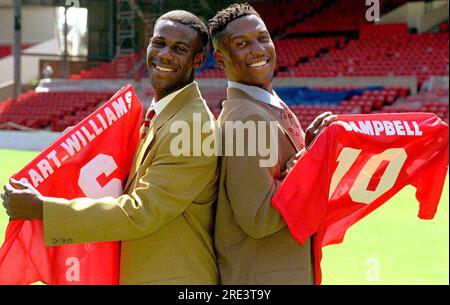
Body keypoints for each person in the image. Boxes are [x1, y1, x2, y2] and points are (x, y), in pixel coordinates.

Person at [1, 10, 219, 285]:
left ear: (197, 60)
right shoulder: (164, 114)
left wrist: (42, 209)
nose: (164, 54)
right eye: (159, 43)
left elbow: (142, 211)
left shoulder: (193, 126)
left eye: (180, 49)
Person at [208, 3, 336, 284]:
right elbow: (259, 218)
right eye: (242, 43)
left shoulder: (265, 105)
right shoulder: (248, 118)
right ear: (220, 59)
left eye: (262, 37)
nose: (257, 49)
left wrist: (309, 152)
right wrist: (309, 159)